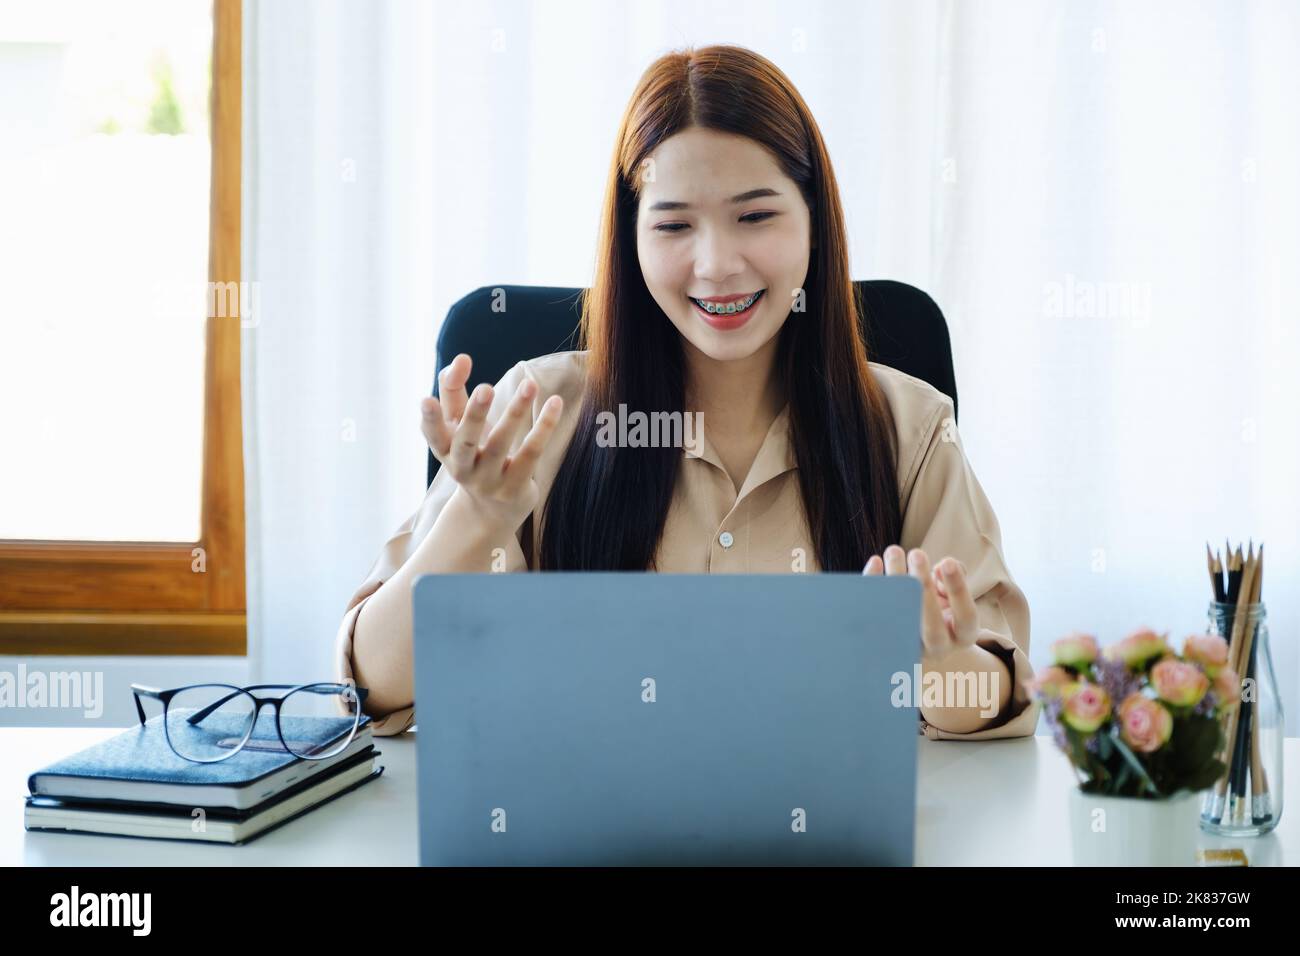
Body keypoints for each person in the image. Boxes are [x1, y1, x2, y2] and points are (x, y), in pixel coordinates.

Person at [336, 44, 1037, 742]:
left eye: (755, 217)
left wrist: (938, 662)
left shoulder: (909, 428)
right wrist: (476, 519)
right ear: (631, 240)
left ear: (815, 223)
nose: (717, 265)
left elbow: (995, 699)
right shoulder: (541, 411)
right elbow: (371, 694)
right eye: (673, 225)